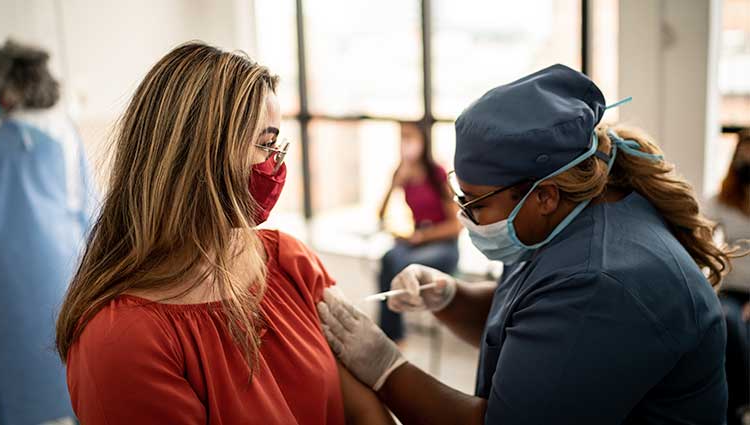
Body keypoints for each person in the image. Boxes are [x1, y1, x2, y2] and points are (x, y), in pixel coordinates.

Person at [318, 64, 744, 424]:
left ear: (544, 194)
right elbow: (531, 315)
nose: (467, 217)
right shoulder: (565, 217)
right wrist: (449, 297)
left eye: (477, 204)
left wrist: (385, 368)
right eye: (461, 199)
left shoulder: (602, 280)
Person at [55, 42, 393, 425]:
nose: (276, 164)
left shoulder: (289, 261)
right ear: (202, 154)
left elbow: (364, 411)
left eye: (277, 144)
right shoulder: (122, 341)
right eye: (265, 144)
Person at [0, 39, 94, 425]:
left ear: (10, 89)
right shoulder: (66, 137)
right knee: (63, 387)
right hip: (63, 281)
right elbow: (93, 216)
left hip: (6, 294)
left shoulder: (0, 145)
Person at [377, 122, 461, 341]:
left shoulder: (437, 174)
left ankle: (392, 335)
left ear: (423, 141)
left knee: (400, 265)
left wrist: (422, 236)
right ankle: (392, 335)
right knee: (388, 258)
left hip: (444, 245)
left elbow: (456, 226)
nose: (406, 144)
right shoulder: (402, 173)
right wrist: (394, 184)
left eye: (410, 137)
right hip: (418, 242)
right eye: (402, 138)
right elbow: (380, 215)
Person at [704, 129, 750, 425]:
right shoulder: (721, 200)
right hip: (731, 291)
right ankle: (740, 405)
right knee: (728, 320)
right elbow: (702, 236)